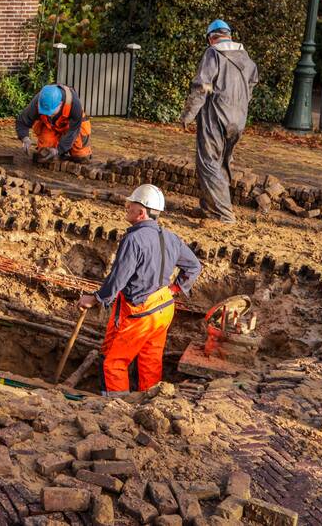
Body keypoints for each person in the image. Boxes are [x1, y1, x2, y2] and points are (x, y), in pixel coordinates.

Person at [78, 185, 202, 396]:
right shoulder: (170, 237)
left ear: (141, 211)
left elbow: (118, 278)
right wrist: (174, 288)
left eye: (131, 205)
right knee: (150, 360)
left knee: (114, 364)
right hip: (163, 307)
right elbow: (194, 266)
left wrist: (95, 298)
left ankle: (116, 407)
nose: (127, 207)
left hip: (141, 312)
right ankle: (147, 402)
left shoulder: (133, 239)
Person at [180, 20, 259, 224]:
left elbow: (202, 86)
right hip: (238, 119)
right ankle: (209, 209)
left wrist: (189, 114)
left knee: (208, 163)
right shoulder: (246, 58)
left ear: (210, 38)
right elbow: (251, 86)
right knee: (223, 162)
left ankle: (223, 214)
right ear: (229, 35)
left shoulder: (213, 53)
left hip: (215, 116)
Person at [16, 83, 92, 163]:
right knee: (45, 153)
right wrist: (25, 138)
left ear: (60, 104)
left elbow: (73, 131)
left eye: (51, 112)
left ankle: (72, 152)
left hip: (72, 127)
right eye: (45, 112)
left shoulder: (74, 104)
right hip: (50, 126)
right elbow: (22, 121)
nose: (48, 115)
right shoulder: (38, 101)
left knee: (80, 157)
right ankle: (60, 154)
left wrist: (58, 150)